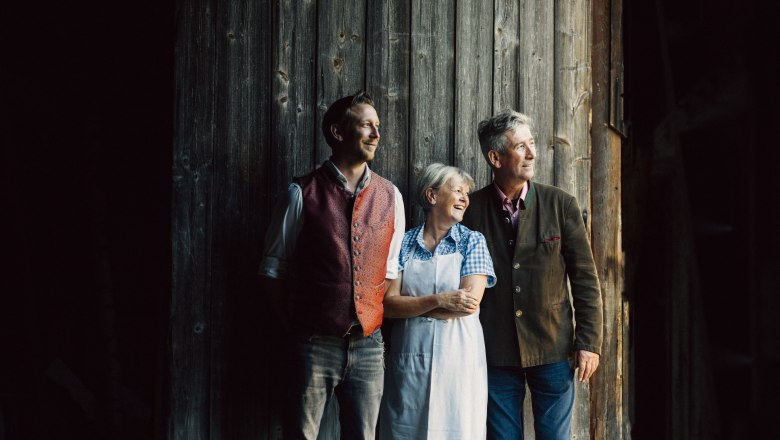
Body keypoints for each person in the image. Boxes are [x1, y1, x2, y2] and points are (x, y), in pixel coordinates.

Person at [259, 91, 405, 440]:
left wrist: (367, 317)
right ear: (339, 132)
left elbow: (388, 273)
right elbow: (272, 270)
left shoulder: (391, 197)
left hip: (369, 345)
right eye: (366, 125)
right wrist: (297, 327)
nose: (376, 134)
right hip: (313, 341)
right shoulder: (301, 193)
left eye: (378, 126)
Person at [460, 110, 603, 440]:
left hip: (553, 346)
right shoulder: (471, 210)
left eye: (532, 144)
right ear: (495, 157)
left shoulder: (561, 204)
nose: (532, 153)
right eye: (521, 146)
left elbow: (584, 278)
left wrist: (589, 342)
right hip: (494, 350)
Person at [379, 163, 496, 440]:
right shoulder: (404, 243)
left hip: (460, 363)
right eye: (457, 190)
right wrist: (441, 300)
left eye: (466, 193)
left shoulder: (472, 242)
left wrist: (413, 306)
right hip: (410, 361)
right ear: (432, 196)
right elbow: (388, 305)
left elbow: (468, 305)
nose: (465, 198)